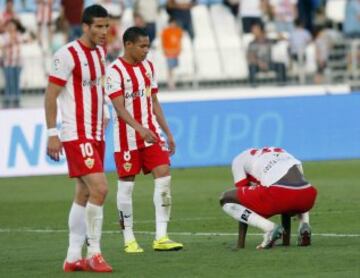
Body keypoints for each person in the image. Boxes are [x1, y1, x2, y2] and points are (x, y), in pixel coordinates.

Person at [44, 4, 112, 272]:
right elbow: (50, 95)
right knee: (101, 189)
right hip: (76, 132)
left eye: (106, 26)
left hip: (96, 131)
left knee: (84, 193)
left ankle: (73, 257)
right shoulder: (67, 55)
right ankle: (94, 252)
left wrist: (105, 109)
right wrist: (53, 133)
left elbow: (99, 86)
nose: (103, 31)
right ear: (85, 27)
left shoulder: (101, 53)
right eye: (98, 26)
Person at [105, 26, 183, 253]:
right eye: (142, 46)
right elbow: (119, 108)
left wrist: (167, 133)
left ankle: (161, 237)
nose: (146, 51)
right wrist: (138, 128)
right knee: (126, 187)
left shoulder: (148, 67)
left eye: (148, 46)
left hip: (151, 135)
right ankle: (129, 238)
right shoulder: (114, 71)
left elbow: (154, 102)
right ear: (128, 45)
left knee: (164, 178)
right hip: (126, 139)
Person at [219, 147, 317, 249]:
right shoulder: (281, 152)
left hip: (280, 194)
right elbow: (294, 187)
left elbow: (243, 203)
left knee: (226, 199)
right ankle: (304, 224)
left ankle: (269, 228)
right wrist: (286, 241)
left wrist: (240, 244)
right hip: (308, 196)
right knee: (290, 191)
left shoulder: (238, 160)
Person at [0, 18, 33, 108]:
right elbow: (2, 45)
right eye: (9, 25)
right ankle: (8, 99)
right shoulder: (4, 36)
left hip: (18, 62)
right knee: (9, 81)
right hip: (7, 62)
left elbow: (29, 39)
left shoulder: (19, 35)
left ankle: (16, 100)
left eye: (13, 25)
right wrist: (11, 40)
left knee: (16, 81)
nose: (11, 27)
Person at [161, 17, 183, 90]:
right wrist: (165, 50)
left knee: (173, 68)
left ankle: (173, 83)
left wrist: (179, 49)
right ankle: (171, 84)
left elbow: (179, 41)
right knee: (170, 69)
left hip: (175, 52)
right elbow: (163, 42)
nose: (173, 25)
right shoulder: (166, 31)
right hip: (169, 52)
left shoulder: (178, 31)